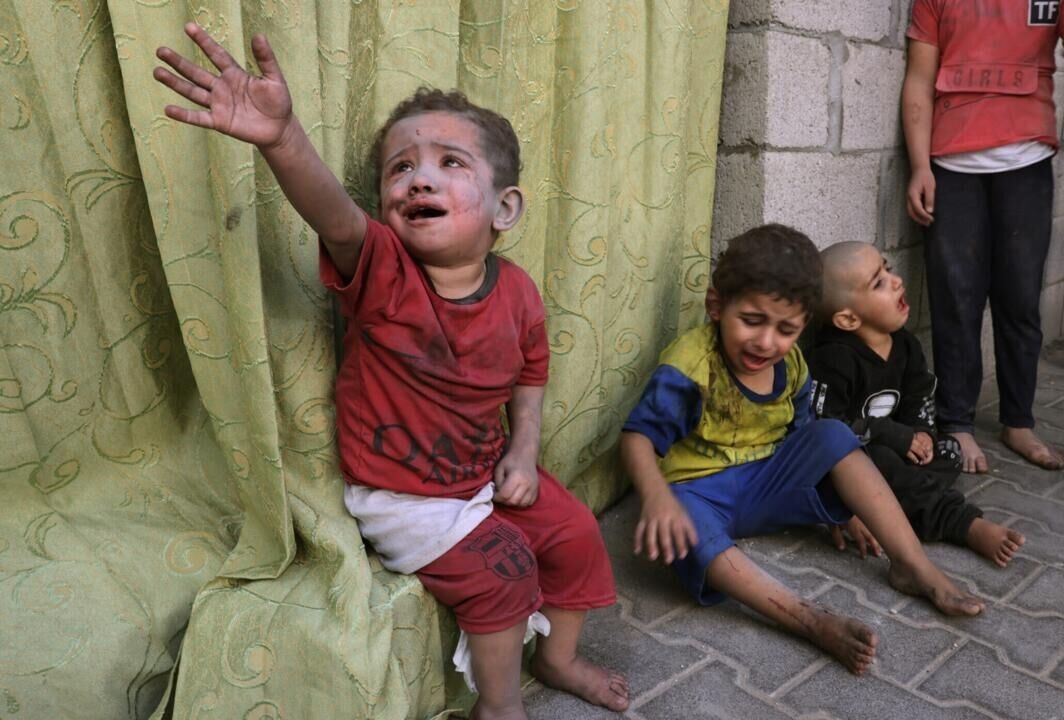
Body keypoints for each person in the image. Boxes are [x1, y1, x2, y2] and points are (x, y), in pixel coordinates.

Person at [152, 23, 627, 718]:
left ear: (506, 207)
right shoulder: (386, 275)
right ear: (386, 205)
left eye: (450, 162)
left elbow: (530, 373)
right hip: (405, 499)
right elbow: (336, 219)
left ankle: (558, 659)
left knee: (577, 531)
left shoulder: (519, 292)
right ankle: (499, 707)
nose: (420, 177)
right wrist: (282, 138)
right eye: (400, 169)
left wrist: (524, 450)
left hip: (483, 473)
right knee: (506, 571)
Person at [619, 224, 985, 677]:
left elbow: (809, 439)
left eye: (786, 329)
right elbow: (636, 437)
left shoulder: (791, 364)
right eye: (751, 320)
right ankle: (808, 619)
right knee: (687, 523)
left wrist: (848, 510)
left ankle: (914, 567)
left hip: (766, 485)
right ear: (716, 306)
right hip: (700, 493)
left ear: (803, 325)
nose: (766, 342)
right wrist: (656, 498)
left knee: (832, 434)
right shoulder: (691, 365)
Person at [902, 0, 1064, 474]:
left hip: (1027, 165)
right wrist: (920, 165)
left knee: (1020, 298)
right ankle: (956, 422)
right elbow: (919, 77)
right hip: (950, 166)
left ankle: (1018, 421)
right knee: (955, 298)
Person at [806, 242, 1026, 567]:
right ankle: (962, 524)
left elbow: (918, 395)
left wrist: (921, 432)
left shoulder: (905, 344)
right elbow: (827, 428)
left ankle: (890, 507)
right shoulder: (833, 359)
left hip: (898, 450)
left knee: (949, 451)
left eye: (888, 269)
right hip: (856, 460)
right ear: (849, 319)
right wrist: (897, 435)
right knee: (881, 460)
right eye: (878, 283)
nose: (896, 281)